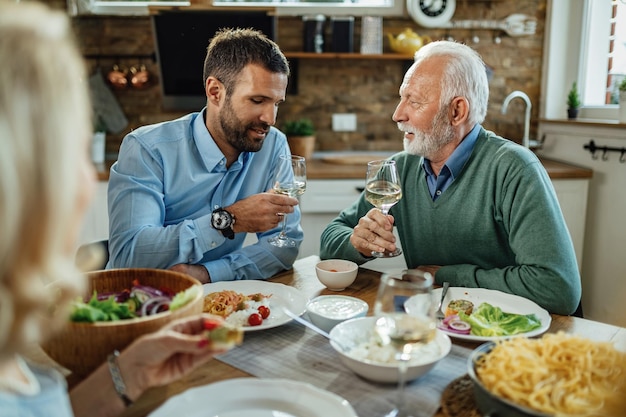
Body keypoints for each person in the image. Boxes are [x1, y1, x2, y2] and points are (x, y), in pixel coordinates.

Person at [0, 3, 228, 416]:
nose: (90, 179)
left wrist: (129, 373)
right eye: (72, 151)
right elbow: (132, 250)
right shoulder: (148, 147)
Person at [320, 40, 581, 316]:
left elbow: (558, 288)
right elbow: (329, 240)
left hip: (508, 332)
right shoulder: (401, 167)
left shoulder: (514, 168)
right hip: (438, 324)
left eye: (414, 101)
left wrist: (448, 276)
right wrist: (357, 243)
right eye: (401, 98)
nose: (397, 114)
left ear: (457, 111)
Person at [106, 28, 302, 284]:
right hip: (140, 300)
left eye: (277, 103)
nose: (270, 119)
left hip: (220, 301)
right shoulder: (147, 149)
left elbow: (284, 245)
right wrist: (230, 220)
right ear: (215, 92)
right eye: (257, 100)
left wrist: (209, 273)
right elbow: (128, 255)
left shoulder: (273, 145)